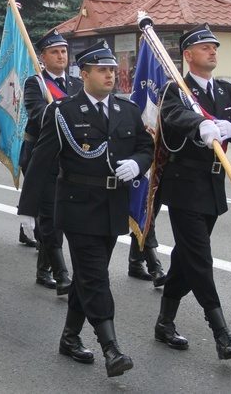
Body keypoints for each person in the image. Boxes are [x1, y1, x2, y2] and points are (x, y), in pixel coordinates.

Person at [18, 41, 154, 377]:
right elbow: (41, 160)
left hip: (112, 207)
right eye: (102, 70)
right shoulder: (62, 111)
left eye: (112, 70)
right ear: (85, 74)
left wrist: (137, 164)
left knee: (86, 278)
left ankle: (69, 337)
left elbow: (145, 145)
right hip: (77, 208)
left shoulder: (127, 110)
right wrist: (27, 209)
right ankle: (111, 348)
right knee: (96, 278)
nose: (110, 75)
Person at [153, 24, 231, 360]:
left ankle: (164, 322)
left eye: (214, 47)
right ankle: (221, 333)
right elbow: (174, 116)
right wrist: (199, 124)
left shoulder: (228, 92)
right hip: (185, 184)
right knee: (199, 258)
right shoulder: (176, 90)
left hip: (213, 184)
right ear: (188, 55)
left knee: (186, 258)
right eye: (204, 47)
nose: (213, 51)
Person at [19, 30, 82, 294]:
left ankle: (43, 269)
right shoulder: (36, 83)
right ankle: (61, 273)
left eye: (64, 51)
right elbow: (37, 115)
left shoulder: (78, 85)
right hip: (42, 157)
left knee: (60, 215)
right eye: (54, 52)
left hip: (70, 158)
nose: (61, 56)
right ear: (42, 57)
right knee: (50, 216)